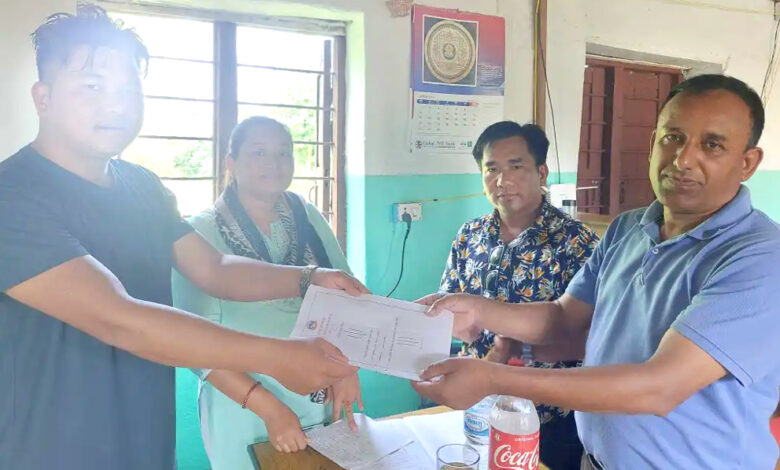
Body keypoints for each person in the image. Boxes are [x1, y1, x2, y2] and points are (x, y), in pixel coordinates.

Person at [0, 6, 368, 469]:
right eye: (92, 87)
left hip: (145, 438)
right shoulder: (12, 197)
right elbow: (120, 319)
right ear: (43, 97)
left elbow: (214, 268)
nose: (116, 105)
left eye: (129, 89)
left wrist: (308, 278)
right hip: (46, 448)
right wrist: (279, 358)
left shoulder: (142, 186)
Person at [413, 74, 780, 469]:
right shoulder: (628, 229)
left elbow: (660, 387)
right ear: (653, 142)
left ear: (747, 163)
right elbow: (563, 320)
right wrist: (477, 309)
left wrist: (492, 379)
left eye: (712, 144)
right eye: (673, 137)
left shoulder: (759, 258)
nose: (682, 159)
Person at [172, 116, 360, 469]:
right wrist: (270, 409)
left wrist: (347, 371)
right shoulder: (198, 233)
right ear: (231, 163)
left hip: (322, 394)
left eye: (283, 153)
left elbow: (345, 294)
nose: (274, 163)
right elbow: (194, 346)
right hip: (245, 405)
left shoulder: (307, 216)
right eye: (258, 152)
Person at [439, 121, 598, 469]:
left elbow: (594, 338)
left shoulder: (577, 242)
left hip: (548, 415)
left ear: (541, 172)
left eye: (515, 167)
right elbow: (448, 307)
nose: (502, 180)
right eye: (491, 169)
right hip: (478, 404)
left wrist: (517, 349)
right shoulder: (470, 235)